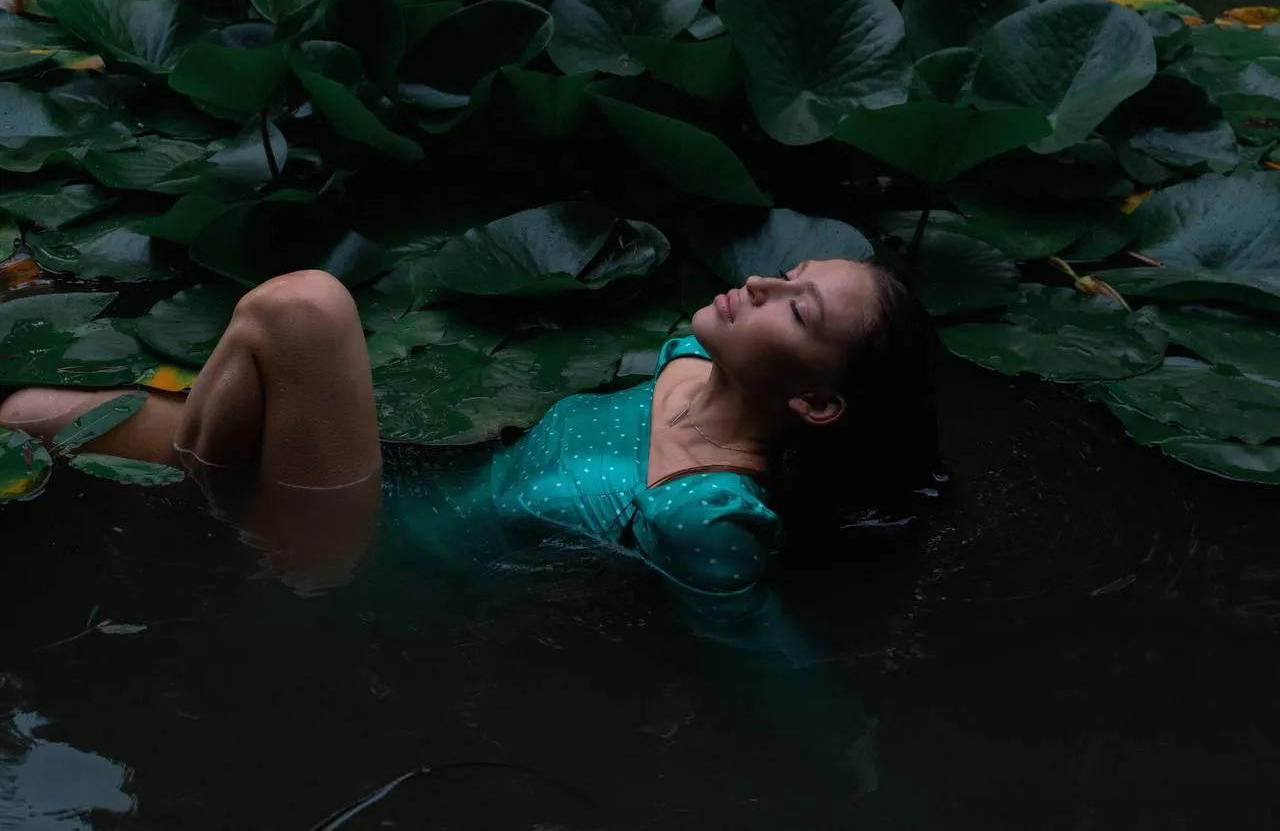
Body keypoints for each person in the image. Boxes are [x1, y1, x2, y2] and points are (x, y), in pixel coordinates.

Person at [0, 259, 938, 648]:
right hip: (377, 486)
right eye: (791, 271)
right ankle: (197, 503)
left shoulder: (705, 511)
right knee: (24, 413)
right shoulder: (686, 358)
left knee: (304, 310)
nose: (764, 280)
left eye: (797, 308)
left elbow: (757, 651)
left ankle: (210, 533)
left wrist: (852, 768)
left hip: (359, 562)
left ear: (816, 401)